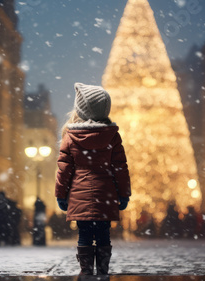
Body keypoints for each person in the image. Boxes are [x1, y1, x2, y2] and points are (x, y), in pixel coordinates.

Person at [55, 83, 131, 276]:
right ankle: (103, 271)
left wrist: (61, 194)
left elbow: (64, 169)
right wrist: (123, 194)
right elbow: (120, 168)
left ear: (80, 109)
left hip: (79, 195)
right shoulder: (112, 136)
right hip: (106, 194)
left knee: (85, 235)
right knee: (104, 234)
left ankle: (86, 271)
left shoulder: (71, 137)